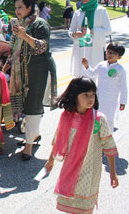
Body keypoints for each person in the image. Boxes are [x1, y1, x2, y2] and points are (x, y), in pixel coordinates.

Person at [44, 77, 118, 214]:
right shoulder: (66, 117)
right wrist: (51, 159)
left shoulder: (98, 119)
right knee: (71, 203)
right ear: (75, 96)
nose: (91, 98)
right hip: (70, 168)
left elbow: (109, 146)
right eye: (86, 95)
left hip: (90, 170)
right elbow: (58, 139)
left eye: (93, 95)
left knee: (85, 207)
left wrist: (113, 173)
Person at [6, 0, 56, 161]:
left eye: (20, 7)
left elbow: (43, 46)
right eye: (16, 8)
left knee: (33, 106)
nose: (17, 11)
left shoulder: (40, 24)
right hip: (21, 71)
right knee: (26, 105)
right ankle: (34, 135)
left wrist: (25, 36)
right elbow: (13, 46)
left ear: (29, 8)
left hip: (38, 71)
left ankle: (28, 146)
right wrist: (7, 63)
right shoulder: (18, 24)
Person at [82, 42, 127, 131]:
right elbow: (92, 74)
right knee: (96, 118)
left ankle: (108, 141)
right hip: (99, 97)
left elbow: (124, 87)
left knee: (108, 120)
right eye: (109, 52)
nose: (110, 55)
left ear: (119, 57)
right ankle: (96, 139)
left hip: (111, 100)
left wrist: (123, 102)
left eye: (113, 53)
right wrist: (86, 65)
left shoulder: (120, 69)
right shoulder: (101, 65)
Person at [69, 0, 111, 77]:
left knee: (94, 74)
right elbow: (70, 31)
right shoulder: (78, 12)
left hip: (95, 46)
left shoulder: (101, 11)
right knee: (81, 74)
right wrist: (76, 34)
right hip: (81, 45)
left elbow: (108, 30)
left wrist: (94, 31)